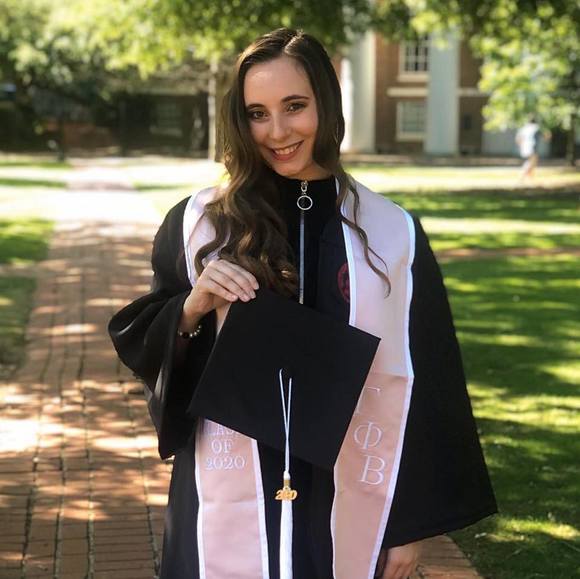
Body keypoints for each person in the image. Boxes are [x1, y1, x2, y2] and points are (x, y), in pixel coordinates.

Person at [108, 28, 497, 579]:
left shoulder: (392, 234)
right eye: (257, 113)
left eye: (295, 106)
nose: (277, 131)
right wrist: (191, 308)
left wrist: (409, 524)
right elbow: (147, 341)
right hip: (224, 489)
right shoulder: (200, 225)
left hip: (346, 486)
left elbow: (423, 380)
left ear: (327, 104)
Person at [515, 116, 550, 183]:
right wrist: (547, 134)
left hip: (524, 147)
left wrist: (521, 145)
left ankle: (530, 177)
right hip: (532, 146)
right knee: (531, 162)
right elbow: (545, 136)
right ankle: (522, 176)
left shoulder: (524, 128)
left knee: (530, 161)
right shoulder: (536, 127)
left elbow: (518, 139)